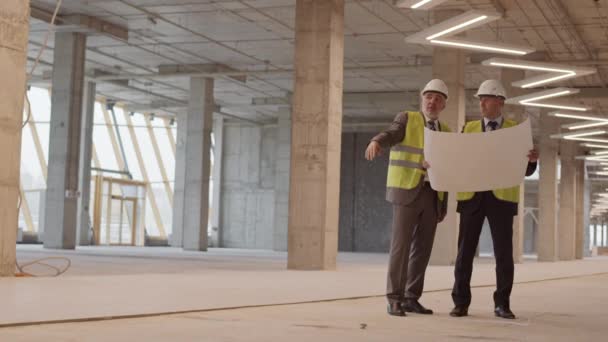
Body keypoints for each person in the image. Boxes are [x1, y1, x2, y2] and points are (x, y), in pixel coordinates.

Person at [449, 79, 539, 320]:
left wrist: (531, 161)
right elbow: (458, 160)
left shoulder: (514, 131)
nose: (481, 103)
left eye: (486, 98)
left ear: (499, 102)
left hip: (501, 200)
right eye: (480, 99)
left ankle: (502, 304)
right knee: (464, 253)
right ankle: (460, 303)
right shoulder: (468, 129)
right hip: (472, 198)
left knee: (503, 255)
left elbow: (526, 171)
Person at [365, 79, 451, 317]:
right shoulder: (407, 118)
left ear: (444, 104)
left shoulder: (446, 131)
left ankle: (412, 298)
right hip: (407, 190)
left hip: (433, 194)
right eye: (428, 97)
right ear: (422, 98)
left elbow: (450, 168)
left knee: (422, 250)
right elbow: (391, 134)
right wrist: (377, 141)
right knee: (400, 247)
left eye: (438, 99)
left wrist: (443, 203)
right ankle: (394, 298)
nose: (432, 102)